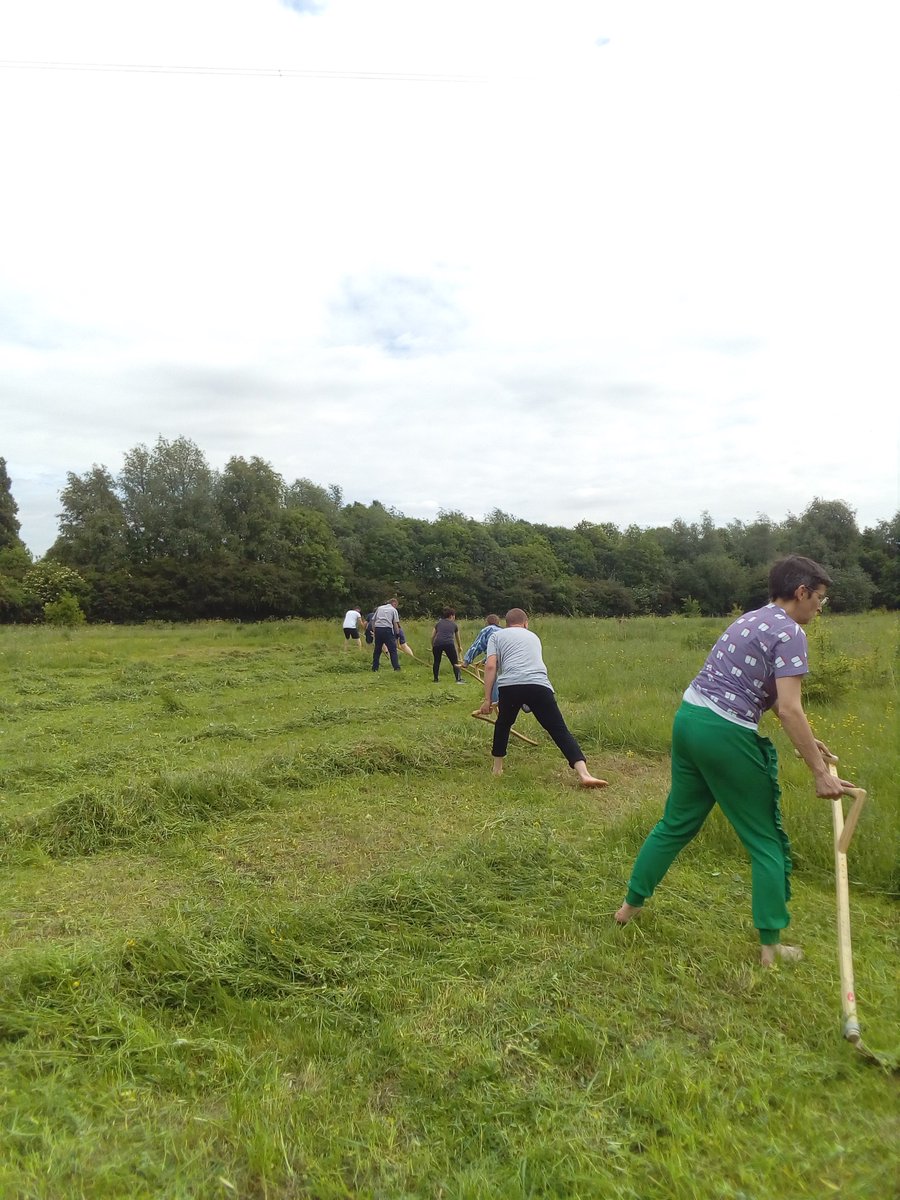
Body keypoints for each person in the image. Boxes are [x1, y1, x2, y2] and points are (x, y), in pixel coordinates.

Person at [614, 555, 854, 968]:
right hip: (724, 732)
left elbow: (776, 702)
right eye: (819, 599)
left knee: (675, 823)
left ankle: (627, 909)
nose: (819, 607)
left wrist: (809, 745)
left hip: (689, 719)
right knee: (765, 839)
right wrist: (819, 773)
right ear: (801, 593)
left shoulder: (752, 619)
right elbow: (791, 709)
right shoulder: (792, 633)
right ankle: (770, 946)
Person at [479, 608, 607, 787]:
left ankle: (497, 769)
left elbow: (491, 666)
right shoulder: (533, 636)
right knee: (558, 729)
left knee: (503, 724)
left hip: (510, 685)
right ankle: (584, 773)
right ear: (526, 623)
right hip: (538, 684)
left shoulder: (496, 636)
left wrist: (487, 700)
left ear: (505, 623)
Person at [463, 613, 502, 703]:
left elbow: (477, 646)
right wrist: (483, 660)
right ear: (498, 622)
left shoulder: (487, 630)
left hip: (495, 658)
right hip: (506, 656)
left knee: (493, 679)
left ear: (487, 622)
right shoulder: (502, 630)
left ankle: (495, 701)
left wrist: (467, 661)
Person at [432, 607, 464, 683]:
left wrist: (433, 645)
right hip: (449, 643)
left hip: (437, 643)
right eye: (454, 616)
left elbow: (432, 636)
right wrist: (459, 647)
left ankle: (435, 679)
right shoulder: (454, 625)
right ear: (451, 616)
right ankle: (458, 679)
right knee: (454, 662)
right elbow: (457, 638)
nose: (454, 618)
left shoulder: (438, 623)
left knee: (436, 661)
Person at [371, 597, 402, 672]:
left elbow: (373, 621)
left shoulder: (379, 608)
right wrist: (397, 634)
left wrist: (375, 632)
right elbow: (395, 623)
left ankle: (375, 668)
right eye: (396, 605)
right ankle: (396, 667)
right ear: (394, 603)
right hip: (387, 630)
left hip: (378, 629)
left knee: (377, 650)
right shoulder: (393, 610)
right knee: (393, 650)